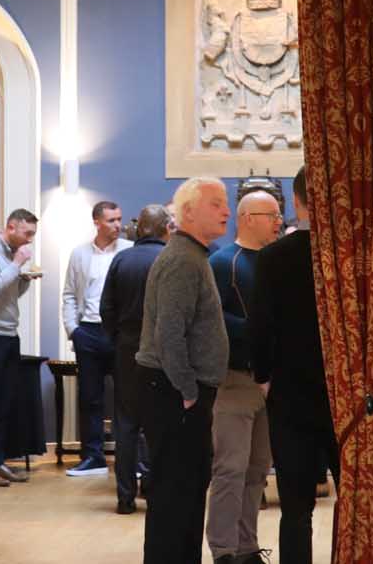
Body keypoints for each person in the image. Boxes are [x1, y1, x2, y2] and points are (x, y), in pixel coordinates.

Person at [137, 178, 231, 564]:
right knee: (175, 496)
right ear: (188, 211)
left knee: (187, 492)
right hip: (174, 393)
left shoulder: (192, 255)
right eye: (217, 204)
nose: (226, 211)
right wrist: (189, 390)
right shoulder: (180, 260)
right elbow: (169, 334)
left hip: (179, 391)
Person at [250, 169, 342, 564]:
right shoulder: (350, 252)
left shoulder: (273, 257)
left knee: (296, 508)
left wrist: (263, 376)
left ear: (297, 200)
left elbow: (260, 325)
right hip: (346, 394)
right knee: (356, 502)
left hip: (290, 395)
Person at [205, 190, 284, 564]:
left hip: (268, 382)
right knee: (230, 470)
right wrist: (260, 329)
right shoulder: (223, 262)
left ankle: (247, 545)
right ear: (247, 217)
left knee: (256, 472)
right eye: (271, 214)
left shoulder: (272, 261)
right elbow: (214, 320)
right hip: (235, 379)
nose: (279, 221)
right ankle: (223, 549)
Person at [100, 203, 174, 515]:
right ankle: (156, 493)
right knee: (161, 424)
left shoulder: (121, 259)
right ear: (164, 228)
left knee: (126, 425)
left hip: (127, 349)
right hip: (164, 351)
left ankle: (125, 498)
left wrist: (118, 339)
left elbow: (106, 309)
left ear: (138, 228)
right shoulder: (171, 259)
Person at [61, 200, 131, 476]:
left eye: (119, 219)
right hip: (88, 331)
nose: (118, 225)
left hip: (118, 332)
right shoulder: (79, 254)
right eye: (112, 220)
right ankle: (93, 457)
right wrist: (73, 330)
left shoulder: (128, 250)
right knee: (90, 397)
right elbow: (68, 294)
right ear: (97, 222)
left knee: (126, 396)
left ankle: (130, 458)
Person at [0, 208, 40, 488]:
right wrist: (16, 265)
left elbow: (9, 294)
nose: (29, 241)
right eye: (27, 234)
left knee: (3, 404)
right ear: (11, 227)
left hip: (9, 335)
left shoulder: (13, 255)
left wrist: (23, 280)